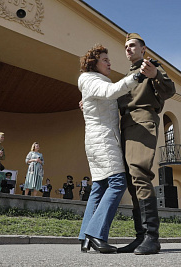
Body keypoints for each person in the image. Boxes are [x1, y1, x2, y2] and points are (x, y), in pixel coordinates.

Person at [78, 44, 142, 254]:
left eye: (108, 59)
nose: (109, 63)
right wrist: (137, 77)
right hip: (103, 140)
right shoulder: (91, 79)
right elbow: (111, 91)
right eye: (105, 60)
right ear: (93, 63)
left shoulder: (92, 81)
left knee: (99, 187)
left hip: (96, 141)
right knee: (117, 183)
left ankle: (85, 238)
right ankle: (96, 234)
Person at [117, 33, 176, 255]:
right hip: (126, 124)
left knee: (140, 173)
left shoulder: (151, 67)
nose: (128, 49)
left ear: (143, 50)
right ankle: (140, 237)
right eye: (126, 47)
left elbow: (169, 90)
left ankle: (152, 237)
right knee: (132, 180)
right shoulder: (128, 75)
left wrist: (155, 75)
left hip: (143, 120)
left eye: (132, 45)